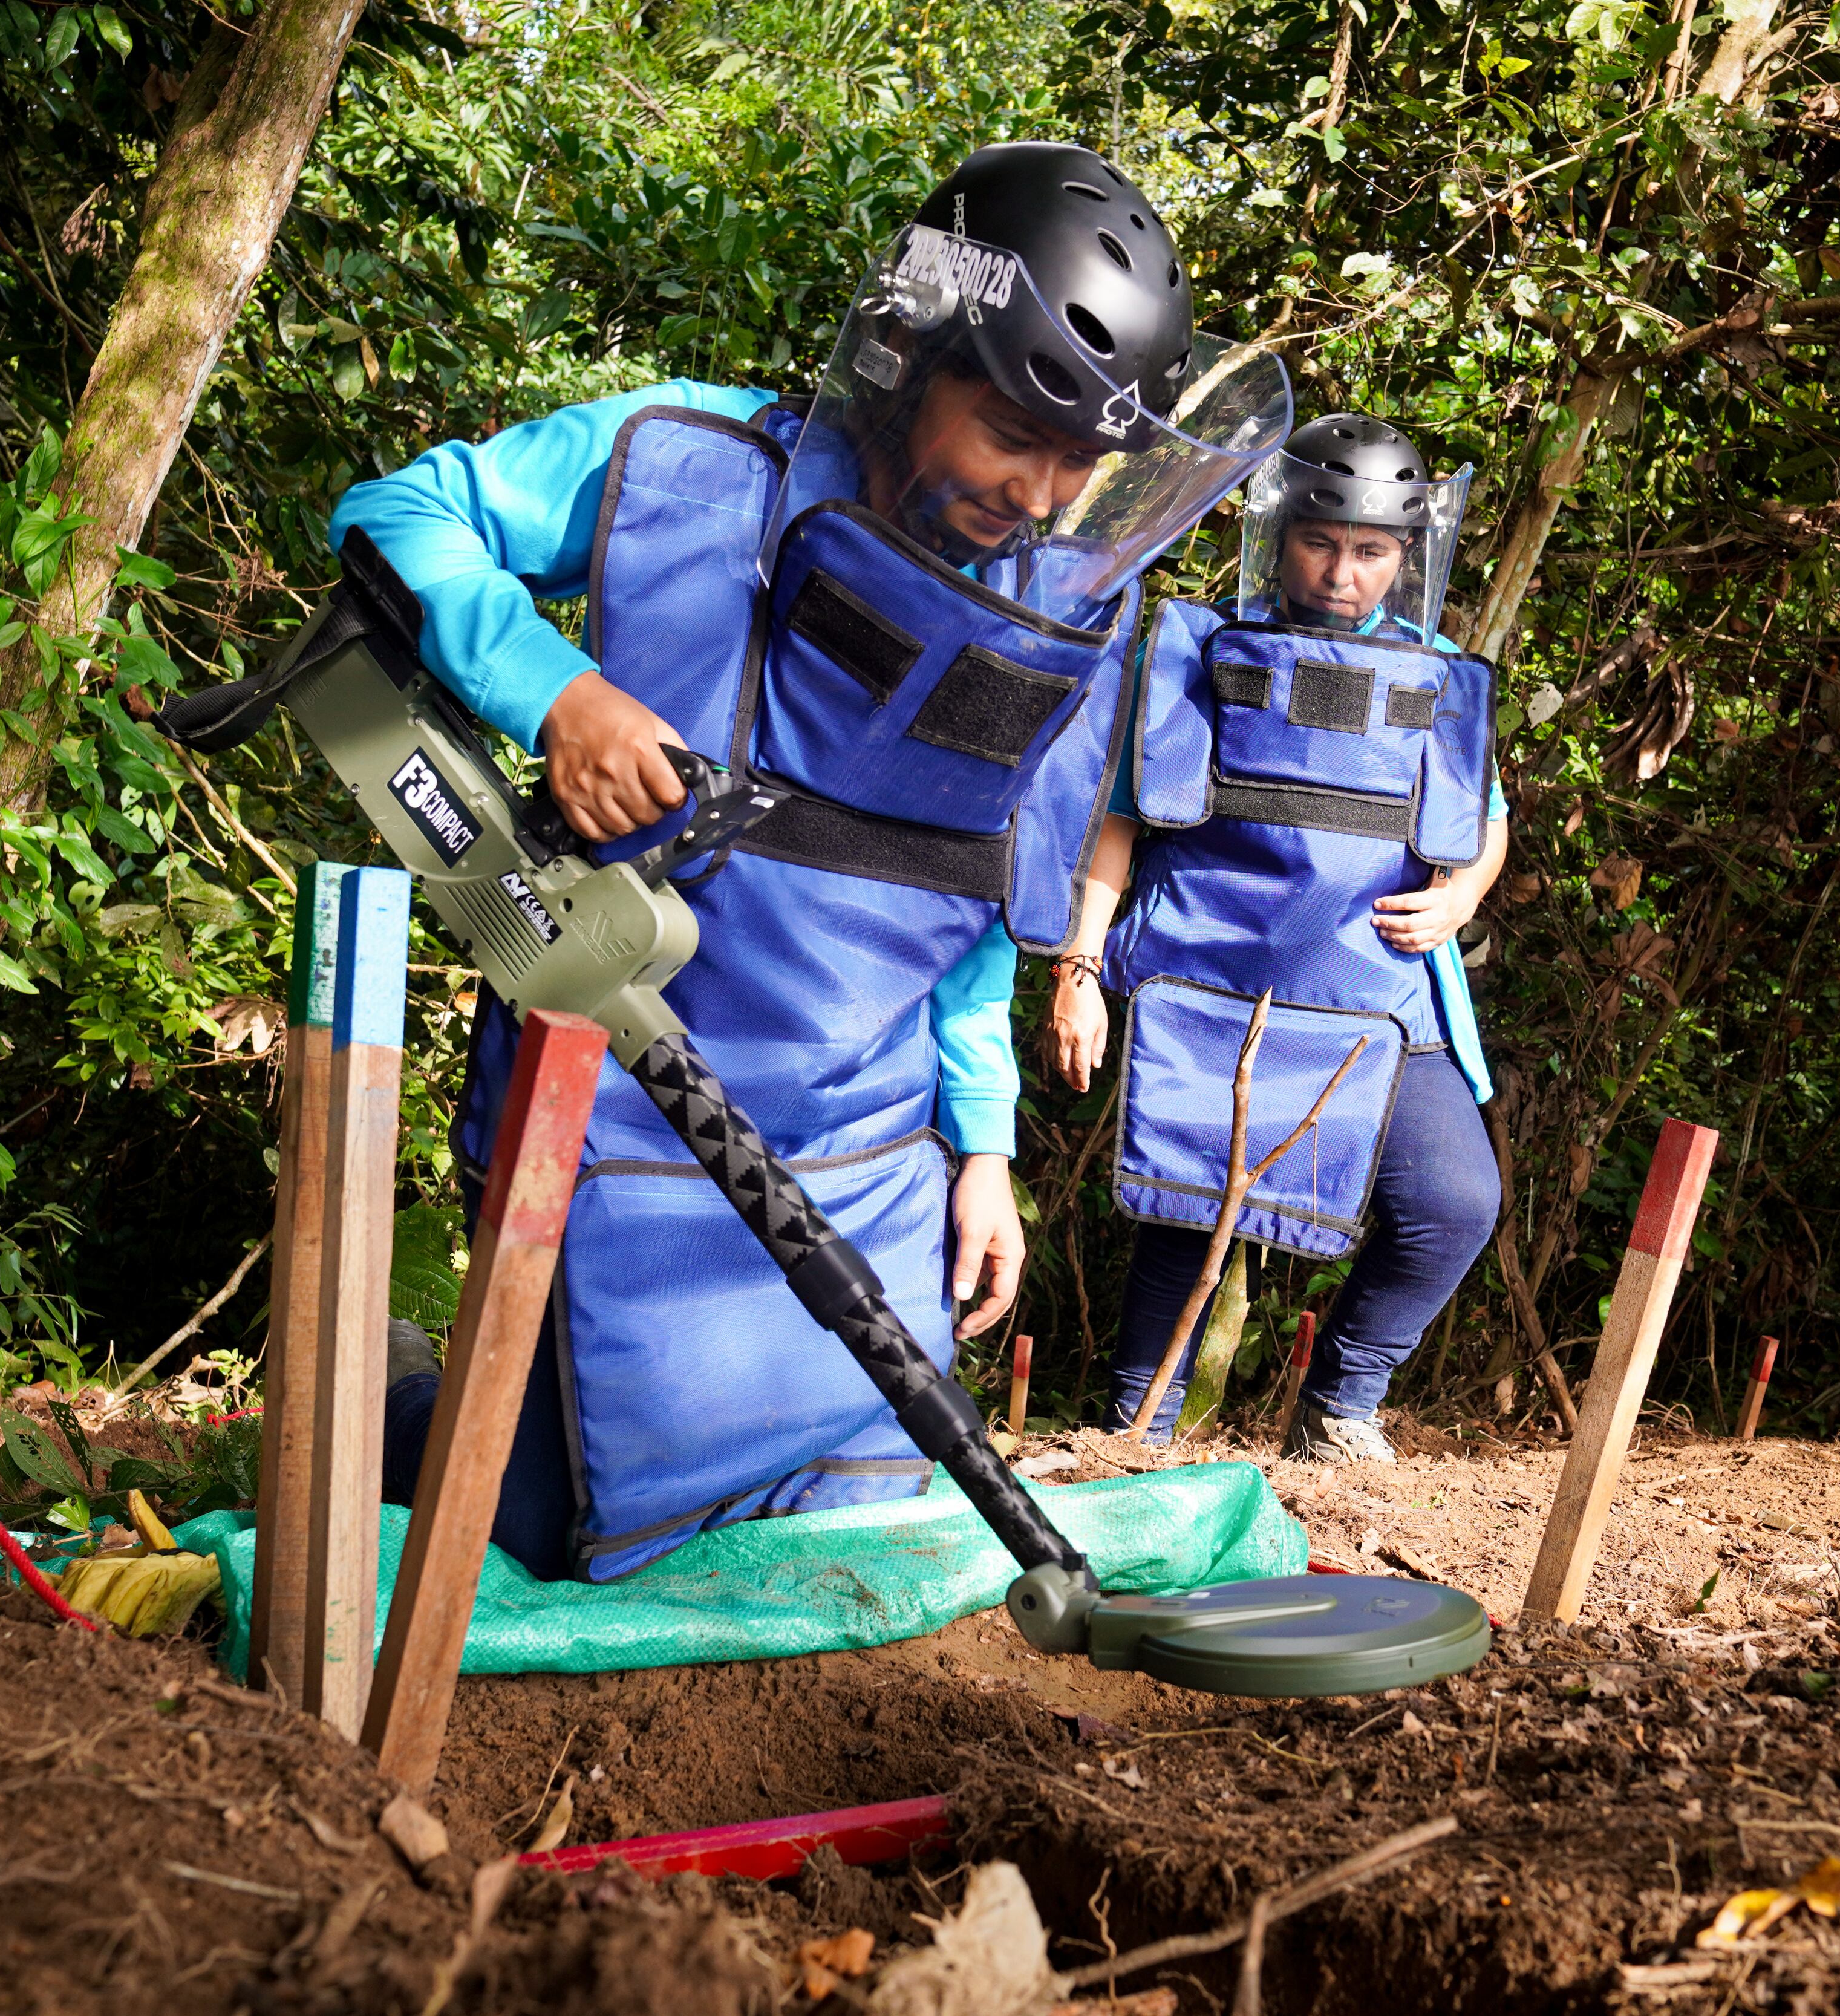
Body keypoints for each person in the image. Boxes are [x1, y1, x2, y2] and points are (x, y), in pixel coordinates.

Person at [340, 142, 1291, 1579]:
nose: (1038, 496)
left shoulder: (1046, 607)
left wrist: (982, 1149)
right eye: (1011, 435)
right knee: (538, 1527)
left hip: (865, 1158)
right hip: (618, 1124)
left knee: (851, 1535)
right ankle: (395, 1384)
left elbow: (969, 899)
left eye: (1078, 464)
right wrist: (556, 692)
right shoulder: (696, 464)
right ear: (912, 357)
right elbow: (396, 514)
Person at [1047, 415, 1509, 1463]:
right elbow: (1119, 821)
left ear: (1408, 555)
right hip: (1213, 984)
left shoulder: (1437, 675)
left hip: (1380, 993)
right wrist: (1079, 969)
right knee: (1185, 1207)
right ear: (1280, 532)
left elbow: (1488, 826)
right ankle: (1138, 1434)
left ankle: (1342, 1403)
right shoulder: (1202, 656)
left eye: (1372, 550)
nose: (1343, 571)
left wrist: (1461, 897)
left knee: (1453, 1201)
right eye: (1321, 542)